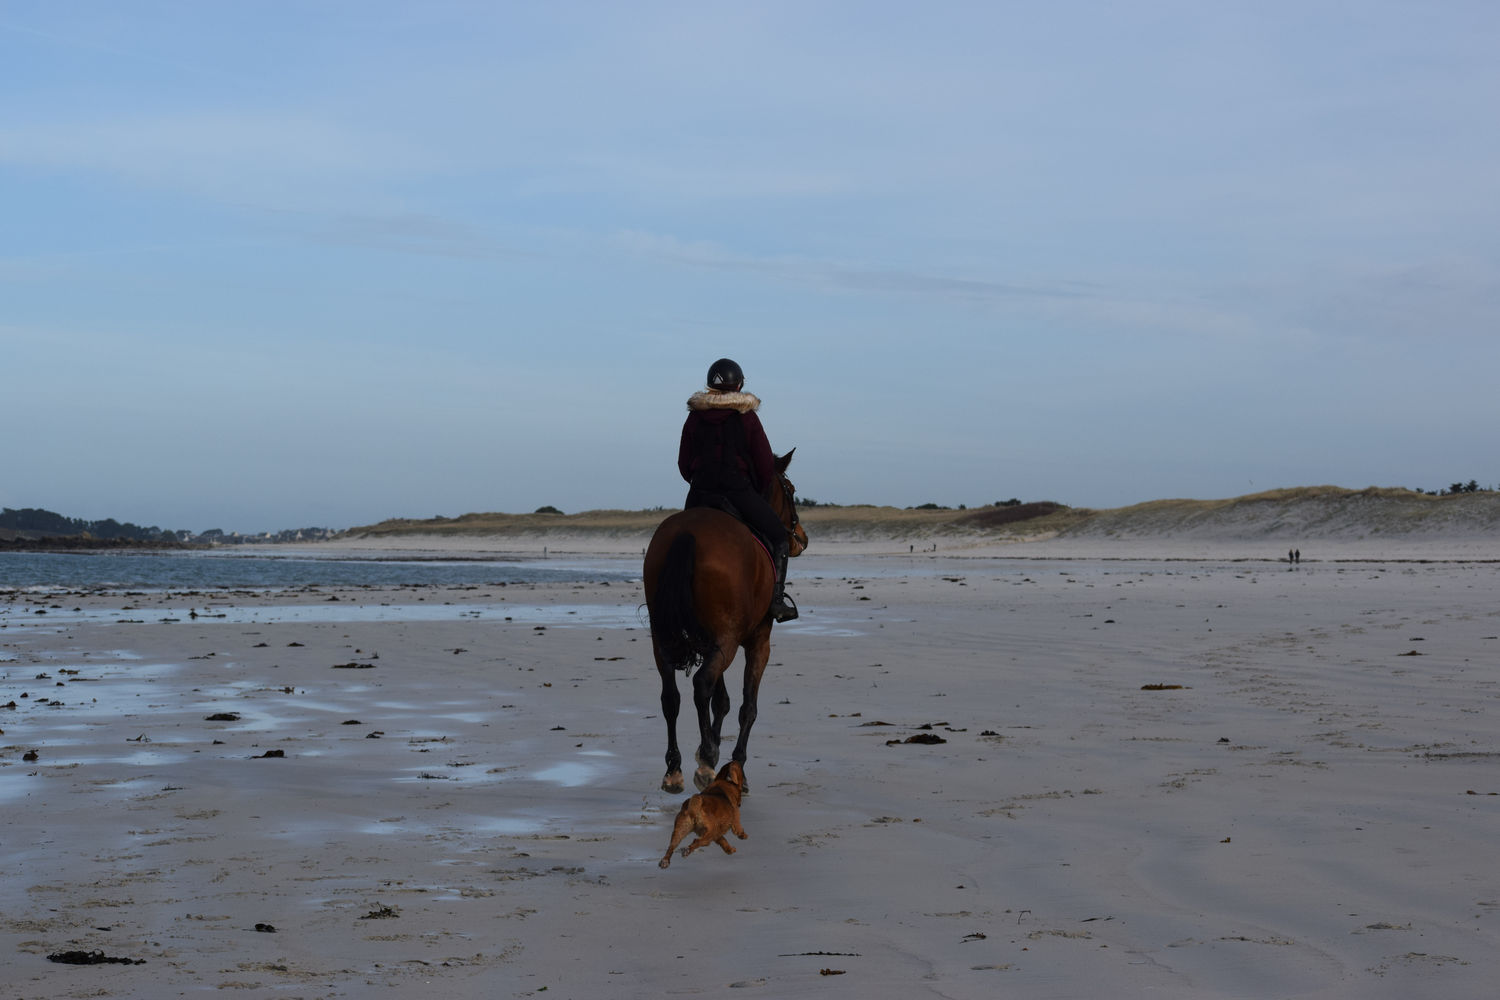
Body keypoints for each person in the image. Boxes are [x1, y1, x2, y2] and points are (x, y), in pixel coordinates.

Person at [678, 358, 798, 622]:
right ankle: (777, 601)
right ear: (740, 385)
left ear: (710, 386)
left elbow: (683, 464)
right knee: (779, 536)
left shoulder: (694, 418)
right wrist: (752, 489)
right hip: (737, 491)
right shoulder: (748, 418)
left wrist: (699, 481)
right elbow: (766, 466)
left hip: (699, 494)